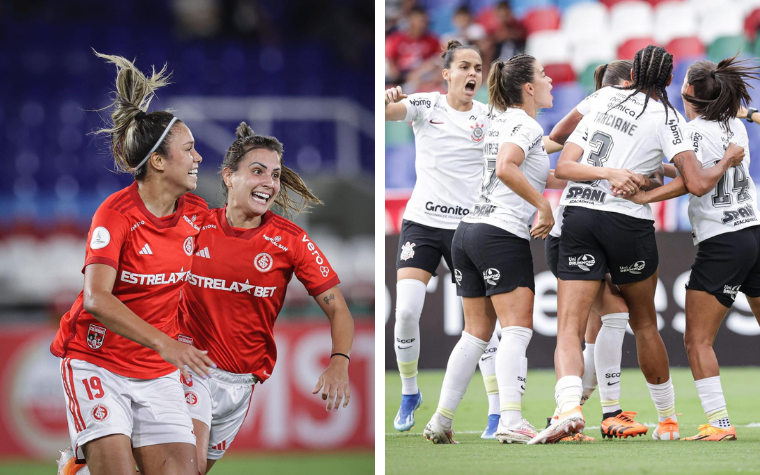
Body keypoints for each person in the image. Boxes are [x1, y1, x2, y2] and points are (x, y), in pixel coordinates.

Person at [530, 45, 744, 445]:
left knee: (570, 327)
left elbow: (562, 164)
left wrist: (611, 172)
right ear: (667, 81)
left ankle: (570, 408)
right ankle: (667, 421)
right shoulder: (669, 118)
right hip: (630, 223)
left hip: (580, 215)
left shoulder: (601, 97)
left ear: (631, 76)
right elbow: (695, 182)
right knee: (643, 321)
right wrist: (645, 186)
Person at [53, 52, 214, 475]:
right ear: (158, 162)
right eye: (189, 149)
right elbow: (96, 299)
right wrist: (166, 341)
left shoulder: (196, 212)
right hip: (98, 363)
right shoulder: (116, 214)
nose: (198, 158)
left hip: (158, 372)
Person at [178, 123, 354, 473]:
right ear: (228, 177)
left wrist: (339, 362)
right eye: (257, 171)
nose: (269, 183)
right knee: (185, 470)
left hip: (241, 385)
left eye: (274, 175)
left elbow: (339, 310)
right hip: (188, 368)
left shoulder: (290, 240)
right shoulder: (194, 223)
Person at [619, 55, 758, 441]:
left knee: (697, 339)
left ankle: (720, 423)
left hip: (721, 240)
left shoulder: (688, 130)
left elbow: (693, 182)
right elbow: (700, 169)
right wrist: (656, 173)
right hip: (754, 231)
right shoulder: (734, 125)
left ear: (686, 92)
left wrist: (647, 196)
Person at [423, 53, 560, 444]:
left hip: (467, 231)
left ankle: (442, 418)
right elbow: (507, 168)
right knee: (516, 329)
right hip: (500, 233)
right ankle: (511, 419)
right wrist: (543, 205)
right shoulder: (525, 123)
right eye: (544, 74)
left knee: (476, 334)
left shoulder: (499, 120)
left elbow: (529, 171)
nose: (550, 80)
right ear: (529, 87)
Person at [384, 40, 498, 436]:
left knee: (482, 324)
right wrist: (387, 97)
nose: (472, 74)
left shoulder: (489, 117)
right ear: (446, 73)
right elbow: (386, 112)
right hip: (423, 224)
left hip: (468, 229)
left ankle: (497, 412)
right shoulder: (425, 106)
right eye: (464, 66)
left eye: (477, 67)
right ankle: (410, 391)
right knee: (406, 312)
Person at [546, 60, 651, 440]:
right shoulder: (614, 101)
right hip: (577, 224)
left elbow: (557, 134)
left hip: (584, 221)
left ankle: (571, 412)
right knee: (592, 323)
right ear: (628, 83)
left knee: (603, 322)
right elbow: (561, 154)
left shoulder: (596, 104)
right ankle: (603, 412)